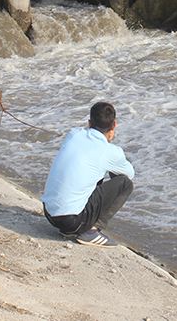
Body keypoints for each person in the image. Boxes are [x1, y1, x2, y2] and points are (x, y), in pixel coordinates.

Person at [41, 102, 134, 247]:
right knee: (124, 183)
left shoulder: (73, 134)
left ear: (89, 122)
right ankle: (91, 230)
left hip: (49, 213)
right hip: (71, 221)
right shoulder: (110, 151)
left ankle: (78, 226)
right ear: (114, 125)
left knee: (89, 170)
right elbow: (128, 175)